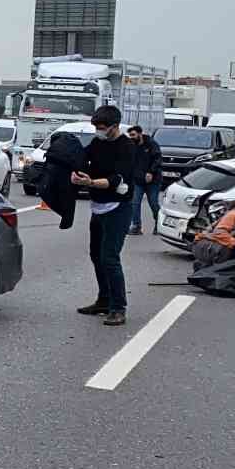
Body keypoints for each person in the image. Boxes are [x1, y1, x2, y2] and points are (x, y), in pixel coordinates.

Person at [73, 106, 137, 326]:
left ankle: (118, 307)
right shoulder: (97, 143)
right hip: (98, 206)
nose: (99, 132)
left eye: (102, 128)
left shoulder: (126, 147)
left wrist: (90, 183)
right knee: (96, 255)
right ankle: (104, 299)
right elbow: (84, 159)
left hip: (118, 208)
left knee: (110, 257)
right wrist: (76, 172)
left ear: (115, 126)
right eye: (96, 128)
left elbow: (117, 179)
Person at [126, 125, 162, 236]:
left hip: (153, 180)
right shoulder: (131, 146)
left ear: (140, 134)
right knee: (134, 203)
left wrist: (151, 172)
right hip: (137, 180)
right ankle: (136, 226)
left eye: (133, 135)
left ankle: (159, 224)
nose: (131, 137)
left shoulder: (151, 144)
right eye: (130, 135)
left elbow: (157, 159)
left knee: (153, 203)